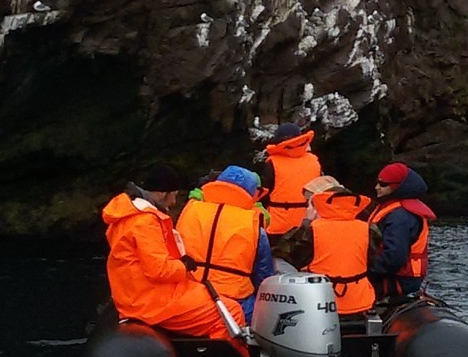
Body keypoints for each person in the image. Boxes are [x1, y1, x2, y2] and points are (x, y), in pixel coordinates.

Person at [99, 165, 236, 339]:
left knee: (217, 299)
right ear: (163, 194)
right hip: (150, 302)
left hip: (136, 295)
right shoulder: (145, 222)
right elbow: (160, 270)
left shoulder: (126, 215)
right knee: (231, 311)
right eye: (174, 196)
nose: (173, 203)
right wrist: (183, 266)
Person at [173, 164, 275, 326]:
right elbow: (264, 276)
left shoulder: (190, 210)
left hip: (188, 294)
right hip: (235, 301)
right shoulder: (253, 223)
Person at [275, 176, 380, 315]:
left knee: (278, 264)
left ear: (319, 203)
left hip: (320, 300)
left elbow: (286, 254)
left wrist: (306, 221)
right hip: (360, 300)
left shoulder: (312, 229)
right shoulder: (368, 229)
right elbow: (372, 260)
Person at [365, 162, 435, 304]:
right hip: (396, 276)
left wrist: (366, 270)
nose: (376, 187)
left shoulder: (399, 216)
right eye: (377, 182)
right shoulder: (393, 209)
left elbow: (394, 256)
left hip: (399, 280)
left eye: (383, 184)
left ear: (396, 187)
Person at [254, 121, 323, 239]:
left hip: (278, 226)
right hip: (309, 224)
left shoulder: (273, 162)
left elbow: (263, 193)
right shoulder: (314, 161)